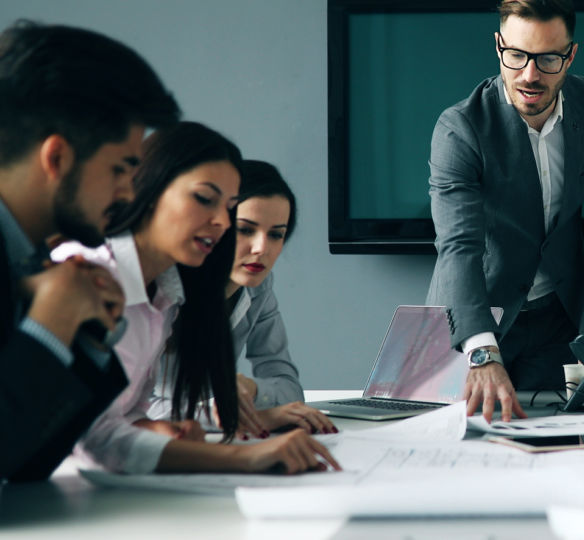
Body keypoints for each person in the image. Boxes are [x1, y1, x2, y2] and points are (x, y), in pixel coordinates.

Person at [67, 122, 338, 474]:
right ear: (148, 187)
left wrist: (150, 427)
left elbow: (122, 413)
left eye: (228, 208)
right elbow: (87, 434)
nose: (220, 222)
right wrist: (246, 456)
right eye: (204, 199)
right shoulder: (90, 276)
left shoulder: (165, 291)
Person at [427, 0, 584, 422]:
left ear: (571, 55)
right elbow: (458, 246)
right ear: (499, 45)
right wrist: (482, 353)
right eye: (516, 55)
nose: (530, 75)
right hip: (473, 319)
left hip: (559, 322)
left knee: (565, 450)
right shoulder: (459, 129)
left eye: (548, 58)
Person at [0, 21, 180, 482]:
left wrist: (86, 339)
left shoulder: (32, 264)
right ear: (56, 158)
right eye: (121, 169)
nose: (129, 193)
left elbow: (28, 464)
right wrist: (49, 325)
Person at [145, 159, 335, 437]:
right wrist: (238, 415)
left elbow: (289, 388)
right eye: (245, 230)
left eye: (276, 234)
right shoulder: (163, 289)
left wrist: (250, 388)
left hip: (207, 441)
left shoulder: (258, 287)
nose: (261, 248)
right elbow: (130, 410)